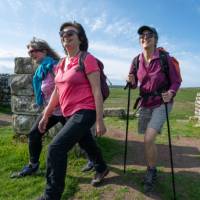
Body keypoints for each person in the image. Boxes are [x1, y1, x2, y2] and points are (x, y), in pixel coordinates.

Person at [37, 21, 109, 200]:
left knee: (56, 148)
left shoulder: (87, 59)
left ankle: (51, 195)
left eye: (70, 33)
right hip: (69, 113)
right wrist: (46, 115)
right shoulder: (61, 63)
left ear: (80, 38)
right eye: (62, 34)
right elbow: (56, 91)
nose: (65, 36)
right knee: (86, 143)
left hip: (86, 111)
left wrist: (100, 120)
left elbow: (96, 91)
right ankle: (101, 167)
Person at [127, 25, 181, 192]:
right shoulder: (136, 60)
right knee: (146, 138)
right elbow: (134, 83)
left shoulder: (165, 58)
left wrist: (171, 92)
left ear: (155, 39)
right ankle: (152, 166)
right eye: (142, 36)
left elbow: (176, 80)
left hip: (162, 102)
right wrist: (130, 80)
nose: (145, 37)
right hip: (145, 103)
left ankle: (151, 171)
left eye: (149, 35)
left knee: (149, 138)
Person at [10, 38, 66, 178]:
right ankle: (33, 165)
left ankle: (96, 163)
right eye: (29, 52)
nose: (31, 54)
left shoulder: (55, 67)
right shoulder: (41, 70)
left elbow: (62, 88)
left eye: (33, 51)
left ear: (44, 51)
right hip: (50, 111)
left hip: (65, 109)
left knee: (82, 137)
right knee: (34, 134)